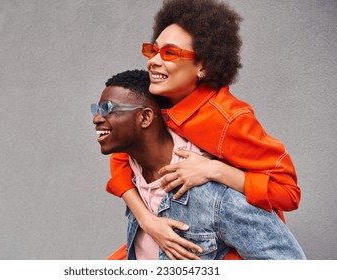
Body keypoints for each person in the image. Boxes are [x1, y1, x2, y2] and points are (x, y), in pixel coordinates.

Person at [106, 0, 301, 260]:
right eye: (152, 50)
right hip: (156, 237)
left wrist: (215, 170)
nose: (153, 61)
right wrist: (147, 221)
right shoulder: (156, 100)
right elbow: (121, 159)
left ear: (203, 66)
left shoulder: (229, 119)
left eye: (170, 53)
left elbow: (288, 192)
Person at [92, 69, 306, 260]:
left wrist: (217, 169)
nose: (96, 119)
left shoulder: (215, 194)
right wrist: (147, 221)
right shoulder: (133, 164)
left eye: (108, 108)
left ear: (145, 117)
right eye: (96, 109)